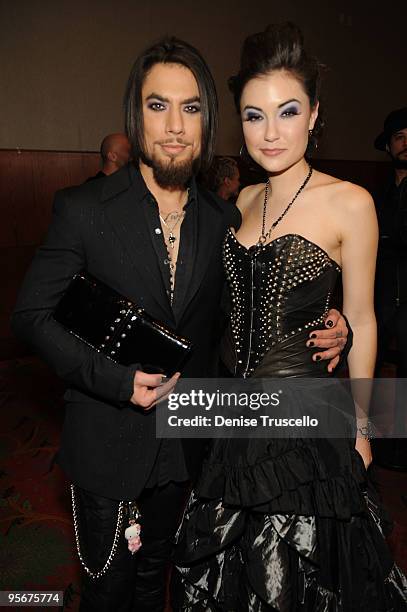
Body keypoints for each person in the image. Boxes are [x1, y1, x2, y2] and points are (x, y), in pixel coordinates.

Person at [11, 37, 349, 612]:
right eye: (157, 105)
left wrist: (326, 319)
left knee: (158, 586)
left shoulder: (225, 219)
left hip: (188, 443)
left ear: (208, 121)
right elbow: (31, 315)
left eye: (190, 108)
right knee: (107, 591)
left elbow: (241, 313)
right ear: (135, 114)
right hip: (107, 441)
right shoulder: (85, 208)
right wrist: (115, 381)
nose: (174, 126)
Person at [173, 24, 407, 611]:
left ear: (314, 114)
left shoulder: (351, 201)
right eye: (254, 116)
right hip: (233, 415)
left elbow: (363, 316)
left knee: (300, 578)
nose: (270, 132)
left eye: (287, 111)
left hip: (307, 422)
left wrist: (364, 422)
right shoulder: (242, 202)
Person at [373, 108, 407, 469]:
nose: (406, 144)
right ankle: (376, 446)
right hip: (380, 294)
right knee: (373, 365)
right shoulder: (378, 194)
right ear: (388, 146)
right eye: (399, 137)